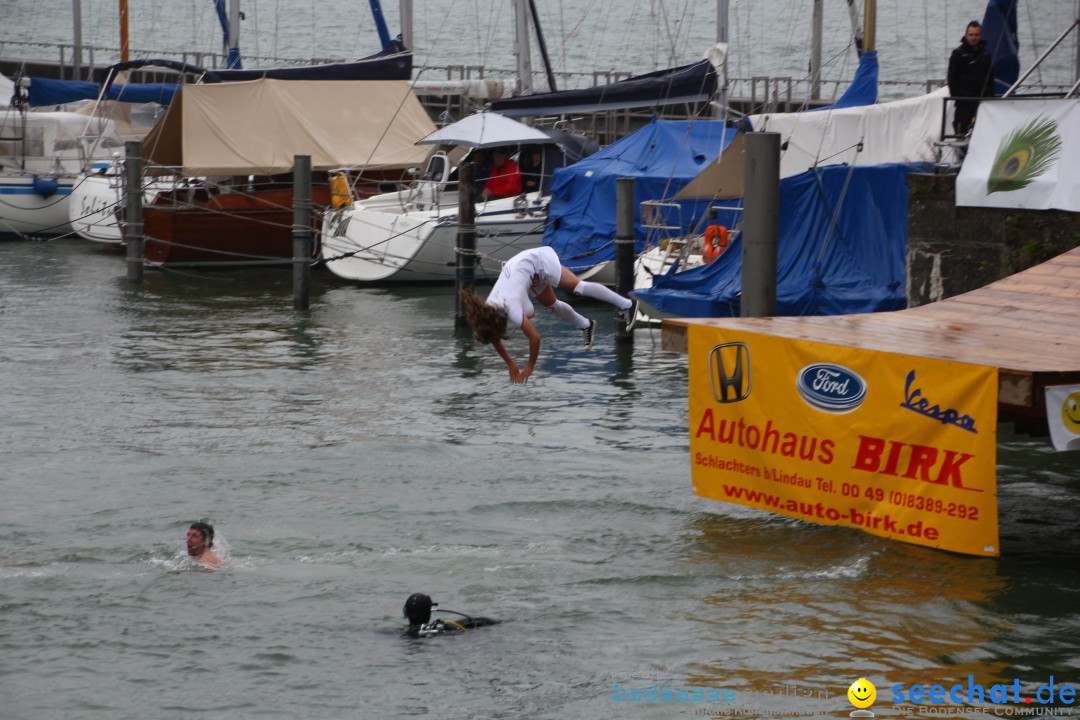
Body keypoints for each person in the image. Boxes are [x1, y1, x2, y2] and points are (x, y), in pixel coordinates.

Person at [459, 246, 637, 384]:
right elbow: (493, 336)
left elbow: (535, 339)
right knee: (552, 306)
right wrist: (510, 363)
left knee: (577, 287)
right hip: (524, 273)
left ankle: (627, 305)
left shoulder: (510, 308)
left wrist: (529, 368)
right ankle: (586, 324)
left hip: (536, 261)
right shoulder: (489, 308)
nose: (500, 335)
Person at [947, 20, 994, 136]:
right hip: (964, 105)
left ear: (981, 35)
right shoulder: (958, 54)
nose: (974, 38)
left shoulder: (986, 54)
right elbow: (952, 80)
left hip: (983, 103)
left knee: (983, 134)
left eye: (976, 35)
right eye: (971, 35)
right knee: (963, 135)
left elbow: (990, 78)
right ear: (966, 35)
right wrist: (960, 98)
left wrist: (990, 96)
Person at [402, 593, 499, 638]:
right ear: (429, 612)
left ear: (406, 613)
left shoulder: (402, 633)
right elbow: (479, 622)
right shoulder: (444, 626)